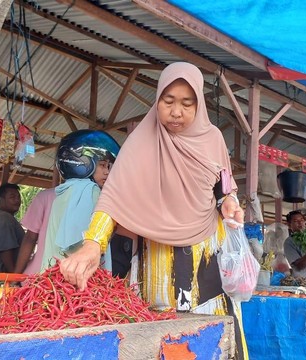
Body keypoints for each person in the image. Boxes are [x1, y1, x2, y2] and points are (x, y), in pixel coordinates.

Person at [57, 62, 247, 359]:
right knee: (155, 342)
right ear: (157, 100)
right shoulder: (142, 141)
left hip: (207, 265)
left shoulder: (213, 140)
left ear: (199, 105)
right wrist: (93, 244)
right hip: (157, 267)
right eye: (168, 101)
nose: (176, 112)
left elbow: (223, 188)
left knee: (211, 344)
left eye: (187, 103)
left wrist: (231, 204)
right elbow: (114, 196)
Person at [37, 129, 120, 272]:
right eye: (102, 165)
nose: (107, 172)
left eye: (108, 166)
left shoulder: (63, 192)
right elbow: (80, 247)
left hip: (51, 281)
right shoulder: (89, 190)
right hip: (76, 283)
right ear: (83, 163)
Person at [13, 188, 56, 274]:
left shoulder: (45, 196)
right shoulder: (90, 198)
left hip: (41, 274)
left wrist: (15, 276)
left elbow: (30, 238)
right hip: (79, 276)